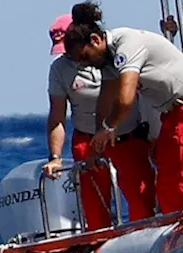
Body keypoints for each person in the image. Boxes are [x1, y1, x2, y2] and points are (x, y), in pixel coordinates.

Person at [65, 1, 183, 215]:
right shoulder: (108, 61)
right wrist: (96, 139)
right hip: (172, 115)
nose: (85, 65)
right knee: (166, 182)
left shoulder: (127, 45)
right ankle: (175, 230)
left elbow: (125, 99)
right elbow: (106, 98)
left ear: (95, 40)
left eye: (84, 57)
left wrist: (109, 128)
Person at [43, 13, 156, 229]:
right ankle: (99, 243)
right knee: (94, 206)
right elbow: (57, 115)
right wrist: (55, 157)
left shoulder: (116, 55)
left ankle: (143, 236)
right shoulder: (59, 70)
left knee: (141, 198)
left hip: (126, 137)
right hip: (87, 139)